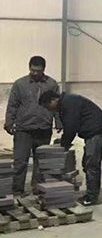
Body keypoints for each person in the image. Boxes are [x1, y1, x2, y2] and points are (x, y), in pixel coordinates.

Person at [39, 91, 102, 206]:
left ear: (53, 100)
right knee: (87, 164)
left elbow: (71, 126)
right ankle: (90, 192)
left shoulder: (69, 102)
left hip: (98, 133)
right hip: (92, 134)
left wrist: (64, 143)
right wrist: (63, 141)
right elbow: (69, 125)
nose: (49, 110)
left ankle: (92, 197)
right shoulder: (66, 102)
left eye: (48, 106)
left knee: (91, 165)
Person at [4, 56, 60, 196]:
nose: (35, 73)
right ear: (29, 68)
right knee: (20, 162)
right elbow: (12, 105)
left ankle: (37, 189)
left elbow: (57, 105)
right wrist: (9, 122)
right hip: (23, 129)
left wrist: (59, 121)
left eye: (38, 71)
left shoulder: (52, 84)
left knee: (40, 162)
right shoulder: (20, 84)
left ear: (43, 69)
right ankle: (17, 190)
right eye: (32, 70)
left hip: (43, 128)